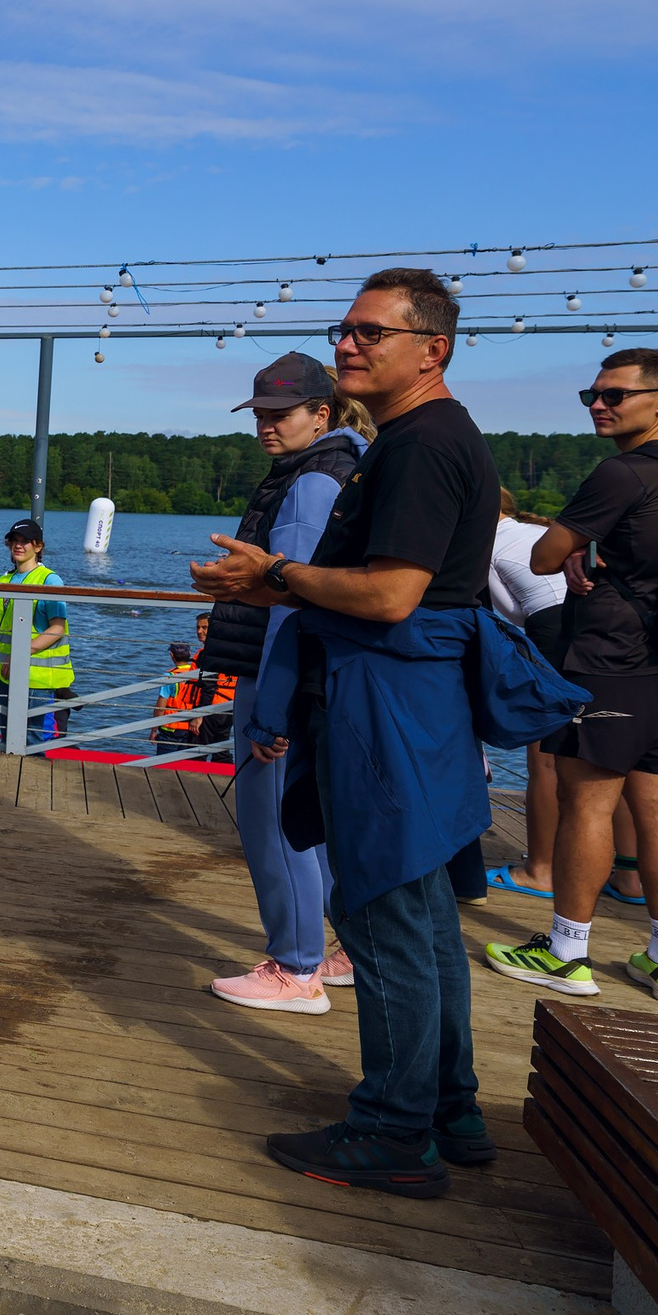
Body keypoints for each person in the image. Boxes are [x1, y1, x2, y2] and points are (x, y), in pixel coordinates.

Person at [193, 268, 505, 1199]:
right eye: (346, 330)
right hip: (422, 705)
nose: (348, 346)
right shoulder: (436, 438)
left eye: (371, 332)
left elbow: (391, 593)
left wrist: (274, 578)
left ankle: (392, 1130)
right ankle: (451, 1106)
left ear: (431, 348)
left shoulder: (415, 447)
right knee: (427, 919)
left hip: (385, 704)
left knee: (384, 920)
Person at [485, 349, 658, 1007]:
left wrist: (577, 542)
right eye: (592, 393)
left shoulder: (623, 472)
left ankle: (565, 951)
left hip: (609, 659)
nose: (598, 405)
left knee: (589, 804)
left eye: (615, 394)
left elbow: (547, 552)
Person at [197, 354, 365, 1013]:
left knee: (274, 825)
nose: (266, 426)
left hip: (280, 679)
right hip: (309, 676)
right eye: (261, 414)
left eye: (280, 414)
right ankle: (339, 948)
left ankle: (296, 968)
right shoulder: (335, 468)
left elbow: (289, 597)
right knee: (310, 824)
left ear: (320, 413)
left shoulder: (311, 483)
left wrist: (272, 706)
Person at [483, 487, 645, 905]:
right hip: (604, 629)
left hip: (554, 631)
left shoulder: (487, 546)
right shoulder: (530, 532)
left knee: (545, 761)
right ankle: (630, 876)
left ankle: (540, 869)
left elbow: (510, 614)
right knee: (611, 759)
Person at [0, 520, 73, 746]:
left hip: (36, 677)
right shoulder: (3, 581)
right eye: (14, 541)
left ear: (38, 547)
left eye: (25, 542)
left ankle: (33, 781)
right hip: (4, 673)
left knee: (32, 739)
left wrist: (20, 654)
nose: (18, 546)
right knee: (6, 736)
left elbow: (57, 628)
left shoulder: (49, 580)